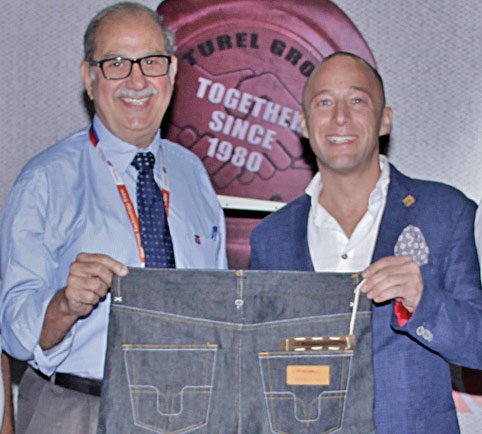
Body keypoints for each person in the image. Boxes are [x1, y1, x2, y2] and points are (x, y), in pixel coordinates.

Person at [0, 2, 226, 433]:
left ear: (172, 72)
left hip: (187, 410)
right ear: (89, 78)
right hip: (76, 411)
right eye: (116, 63)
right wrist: (64, 305)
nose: (137, 81)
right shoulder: (44, 179)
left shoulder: (193, 174)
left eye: (151, 62)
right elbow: (13, 332)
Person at [250, 52, 482, 433]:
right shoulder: (270, 238)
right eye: (324, 102)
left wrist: (423, 302)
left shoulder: (446, 212)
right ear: (304, 124)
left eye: (357, 100)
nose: (340, 117)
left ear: (385, 120)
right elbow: (257, 368)